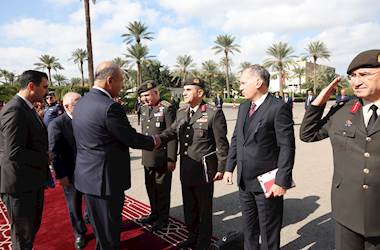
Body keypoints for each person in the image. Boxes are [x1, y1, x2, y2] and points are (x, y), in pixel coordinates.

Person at [72, 61, 160, 249]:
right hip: (105, 182)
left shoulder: (81, 102)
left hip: (87, 178)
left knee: (101, 231)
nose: (122, 86)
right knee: (110, 234)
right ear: (110, 80)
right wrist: (153, 141)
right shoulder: (110, 107)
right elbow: (130, 138)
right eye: (121, 81)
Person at [300, 49, 380, 250]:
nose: (356, 82)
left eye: (364, 74)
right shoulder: (343, 111)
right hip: (347, 210)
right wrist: (319, 102)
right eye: (352, 76)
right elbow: (308, 134)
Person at [223, 65, 295, 250]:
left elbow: (287, 146)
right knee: (249, 230)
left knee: (269, 232)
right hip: (244, 181)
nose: (240, 87)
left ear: (258, 82)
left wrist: (282, 180)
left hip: (267, 183)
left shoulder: (278, 108)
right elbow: (237, 138)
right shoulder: (244, 106)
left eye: (242, 83)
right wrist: (229, 167)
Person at [159, 77, 229, 250]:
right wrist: (155, 139)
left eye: (188, 90)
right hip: (186, 169)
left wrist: (222, 168)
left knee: (204, 209)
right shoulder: (182, 112)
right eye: (184, 90)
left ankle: (203, 243)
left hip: (204, 170)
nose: (184, 93)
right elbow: (172, 131)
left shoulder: (213, 113)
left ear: (200, 92)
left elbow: (222, 144)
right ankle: (192, 236)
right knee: (189, 207)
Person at [0, 70, 49, 250]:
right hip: (19, 185)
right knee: (22, 237)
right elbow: (14, 151)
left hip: (29, 181)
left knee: (28, 233)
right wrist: (44, 157)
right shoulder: (15, 109)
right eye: (44, 87)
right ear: (31, 86)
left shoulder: (25, 107)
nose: (46, 91)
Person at [48, 92, 87, 249]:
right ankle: (79, 233)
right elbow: (54, 152)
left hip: (89, 171)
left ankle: (91, 221)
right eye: (79, 103)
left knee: (92, 202)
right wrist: (61, 174)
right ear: (66, 107)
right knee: (74, 205)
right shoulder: (57, 124)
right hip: (70, 173)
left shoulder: (86, 120)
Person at [137, 80, 177, 232]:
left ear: (156, 92)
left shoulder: (167, 108)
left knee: (162, 190)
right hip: (147, 157)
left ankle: (163, 218)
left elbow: (173, 135)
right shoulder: (143, 108)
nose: (145, 99)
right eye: (142, 96)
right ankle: (154, 213)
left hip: (162, 158)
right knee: (150, 187)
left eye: (147, 95)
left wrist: (171, 158)